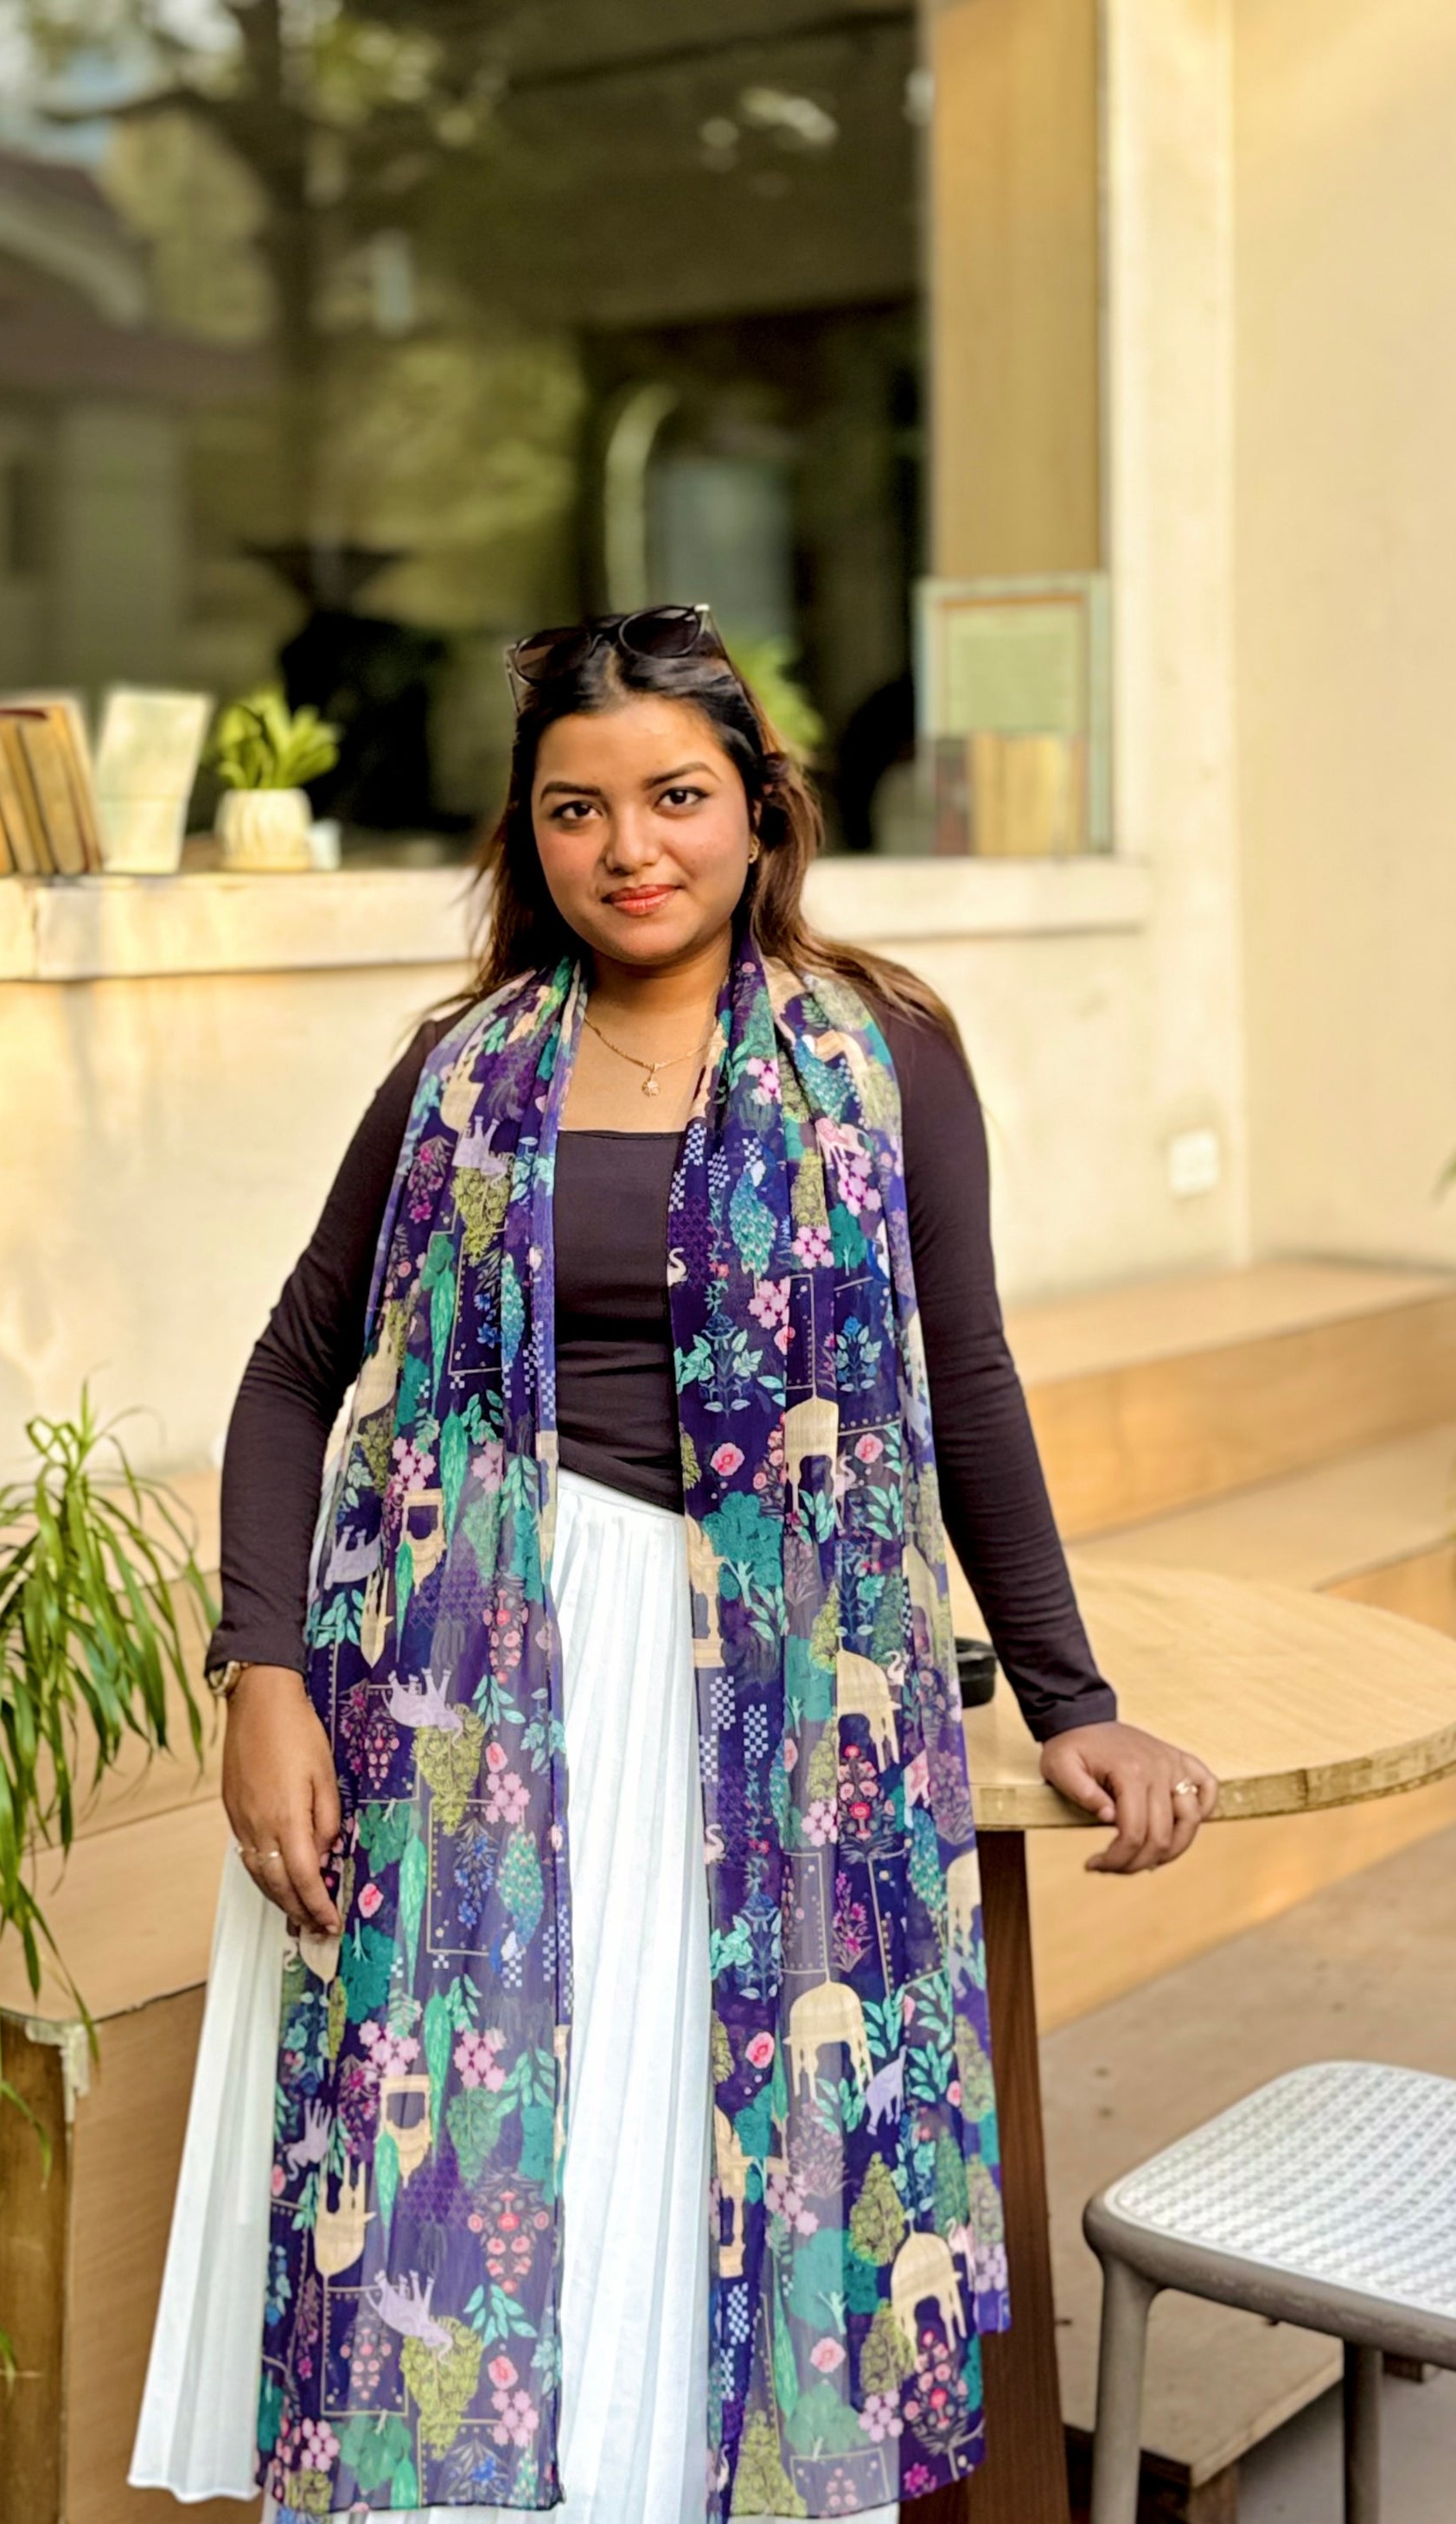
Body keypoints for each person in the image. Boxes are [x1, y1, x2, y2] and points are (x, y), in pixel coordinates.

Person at [131, 605, 1219, 2524]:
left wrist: (1073, 1699)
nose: (629, 847)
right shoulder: (460, 1070)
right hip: (457, 1707)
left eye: (675, 796)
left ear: (758, 809)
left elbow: (962, 1373)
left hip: (766, 1714)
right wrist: (263, 1671)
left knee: (707, 2174)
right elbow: (296, 1368)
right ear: (528, 832)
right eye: (577, 808)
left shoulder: (880, 1054)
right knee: (464, 2197)